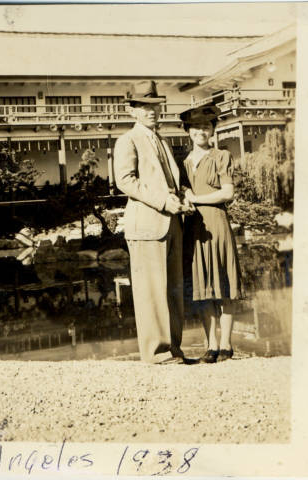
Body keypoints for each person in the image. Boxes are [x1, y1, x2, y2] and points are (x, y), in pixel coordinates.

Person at [114, 80, 194, 364]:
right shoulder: (128, 141)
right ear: (132, 110)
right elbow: (125, 181)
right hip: (147, 225)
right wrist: (162, 201)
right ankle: (156, 353)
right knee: (151, 291)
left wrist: (182, 197)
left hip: (172, 222)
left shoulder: (161, 141)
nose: (151, 111)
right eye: (144, 107)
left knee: (173, 289)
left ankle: (174, 349)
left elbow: (169, 180)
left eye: (154, 106)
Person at [179, 105, 243, 363]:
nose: (201, 131)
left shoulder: (221, 156)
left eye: (206, 126)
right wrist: (185, 199)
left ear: (213, 129)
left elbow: (228, 193)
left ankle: (226, 345)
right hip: (193, 228)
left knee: (224, 286)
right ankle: (211, 346)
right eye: (196, 127)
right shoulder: (183, 162)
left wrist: (196, 198)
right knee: (202, 286)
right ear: (188, 131)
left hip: (216, 224)